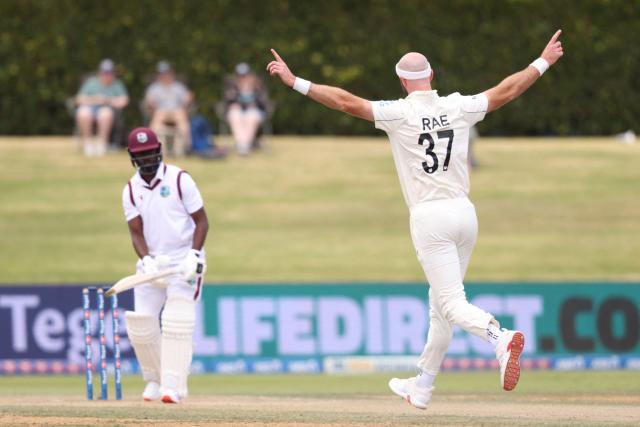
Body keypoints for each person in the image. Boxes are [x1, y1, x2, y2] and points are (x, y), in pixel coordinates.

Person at [267, 30, 563, 409]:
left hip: (430, 217)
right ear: (432, 76)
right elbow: (506, 91)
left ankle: (498, 336)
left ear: (403, 82)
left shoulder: (399, 112)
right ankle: (422, 385)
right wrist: (543, 61)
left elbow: (343, 102)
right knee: (439, 306)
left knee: (452, 303)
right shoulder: (459, 106)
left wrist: (295, 82)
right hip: (465, 214)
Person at [121, 127, 209, 404]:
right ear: (132, 157)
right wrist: (146, 260)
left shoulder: (180, 179)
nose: (147, 159)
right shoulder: (131, 190)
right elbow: (136, 231)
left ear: (158, 149)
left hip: (184, 261)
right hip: (153, 264)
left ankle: (173, 385)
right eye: (141, 155)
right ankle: (154, 380)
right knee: (141, 324)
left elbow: (202, 221)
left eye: (150, 153)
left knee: (177, 322)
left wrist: (194, 255)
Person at [75, 59, 129, 156]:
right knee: (83, 113)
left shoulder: (117, 84)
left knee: (104, 113)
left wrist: (107, 101)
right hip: (90, 108)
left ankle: (101, 144)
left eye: (109, 72)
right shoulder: (91, 82)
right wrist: (94, 100)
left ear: (113, 73)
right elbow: (79, 99)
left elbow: (124, 101)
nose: (107, 75)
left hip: (109, 111)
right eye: (105, 72)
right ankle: (88, 144)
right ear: (100, 72)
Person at [144, 61, 193, 157]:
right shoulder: (153, 88)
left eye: (166, 73)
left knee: (181, 114)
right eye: (162, 73)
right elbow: (149, 102)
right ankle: (152, 146)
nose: (164, 75)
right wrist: (150, 104)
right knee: (159, 115)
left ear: (171, 73)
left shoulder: (179, 87)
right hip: (160, 112)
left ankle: (187, 146)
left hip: (176, 112)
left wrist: (188, 99)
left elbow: (186, 100)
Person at [224, 62, 270, 155]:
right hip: (238, 112)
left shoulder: (258, 86)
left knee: (251, 117)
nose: (243, 78)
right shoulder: (232, 86)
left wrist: (255, 103)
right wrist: (235, 102)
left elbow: (264, 102)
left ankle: (244, 146)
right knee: (234, 115)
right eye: (240, 75)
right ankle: (243, 146)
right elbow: (228, 101)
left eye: (245, 75)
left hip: (255, 112)